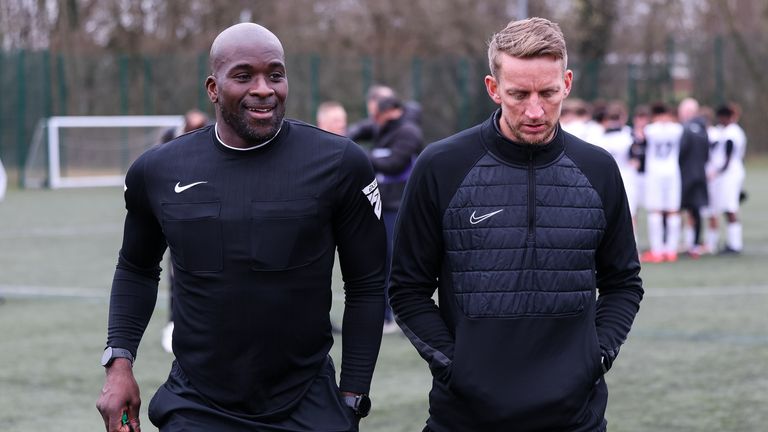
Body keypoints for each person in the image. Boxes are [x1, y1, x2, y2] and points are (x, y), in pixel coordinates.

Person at [96, 23, 387, 432]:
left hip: (307, 403)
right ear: (213, 88)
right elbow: (136, 268)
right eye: (244, 75)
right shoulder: (158, 170)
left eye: (275, 73)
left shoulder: (339, 164)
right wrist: (118, 363)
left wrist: (353, 394)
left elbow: (367, 283)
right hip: (196, 405)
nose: (264, 88)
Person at [389, 17, 643, 432]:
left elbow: (624, 283)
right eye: (518, 94)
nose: (535, 110)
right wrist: (458, 367)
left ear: (568, 82)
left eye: (548, 92)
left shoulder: (598, 169)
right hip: (465, 418)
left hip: (575, 419)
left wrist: (594, 357)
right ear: (493, 88)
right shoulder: (441, 165)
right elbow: (407, 289)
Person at [367, 96, 423, 334]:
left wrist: (366, 158)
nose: (373, 120)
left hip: (398, 204)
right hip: (383, 202)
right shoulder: (385, 128)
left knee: (394, 258)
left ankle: (397, 315)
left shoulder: (408, 132)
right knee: (381, 257)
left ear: (389, 112)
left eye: (376, 114)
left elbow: (394, 163)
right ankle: (387, 315)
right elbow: (361, 128)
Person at [158, 109, 211, 354]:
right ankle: (173, 324)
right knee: (176, 271)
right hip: (179, 220)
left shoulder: (213, 144)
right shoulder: (169, 144)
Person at [639, 102, 683, 263]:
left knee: (656, 211)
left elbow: (641, 136)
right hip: (672, 173)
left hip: (655, 174)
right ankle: (671, 250)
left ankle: (657, 250)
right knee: (672, 211)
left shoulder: (651, 129)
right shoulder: (677, 129)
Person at [705, 103, 747, 254]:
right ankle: (732, 242)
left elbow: (728, 157)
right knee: (727, 208)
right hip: (730, 173)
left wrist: (717, 172)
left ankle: (735, 245)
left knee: (730, 208)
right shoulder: (727, 130)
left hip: (729, 173)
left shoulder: (732, 132)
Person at [677, 97, 710, 257]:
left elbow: (681, 152)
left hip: (685, 174)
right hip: (699, 173)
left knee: (684, 209)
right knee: (695, 210)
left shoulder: (686, 128)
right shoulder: (703, 128)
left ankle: (685, 242)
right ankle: (694, 243)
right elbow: (706, 153)